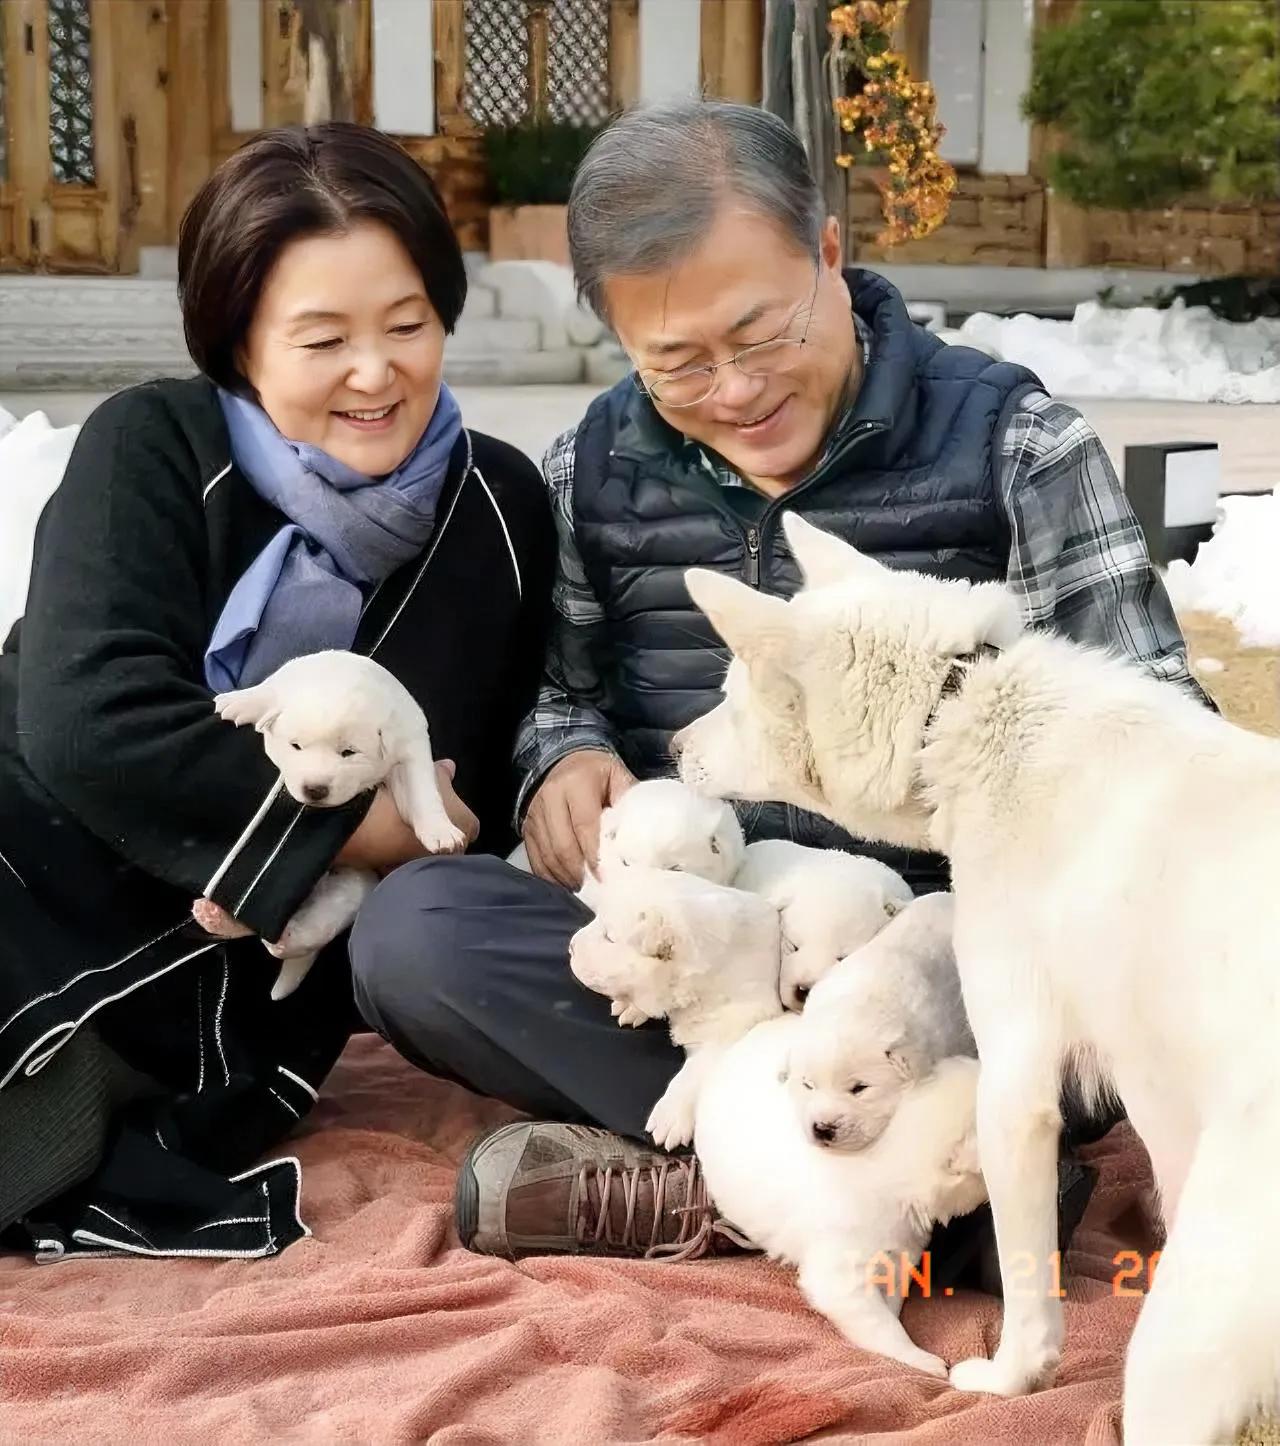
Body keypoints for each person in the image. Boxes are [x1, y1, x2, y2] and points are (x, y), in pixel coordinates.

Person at [350, 102, 1202, 1264]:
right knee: (412, 934)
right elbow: (558, 687)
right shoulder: (587, 470)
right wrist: (565, 758)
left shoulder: (1013, 447)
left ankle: (732, 1189)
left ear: (830, 257)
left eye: (758, 336)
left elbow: (1156, 744)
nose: (734, 389)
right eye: (677, 364)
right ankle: (925, 1196)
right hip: (709, 938)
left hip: (949, 959)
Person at [0, 123, 554, 1257]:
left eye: (407, 325)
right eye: (321, 339)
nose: (376, 371)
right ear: (237, 340)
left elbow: (485, 774)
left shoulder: (498, 508)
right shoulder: (150, 445)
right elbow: (88, 723)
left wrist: (416, 832)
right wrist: (363, 821)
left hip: (248, 992)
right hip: (34, 858)